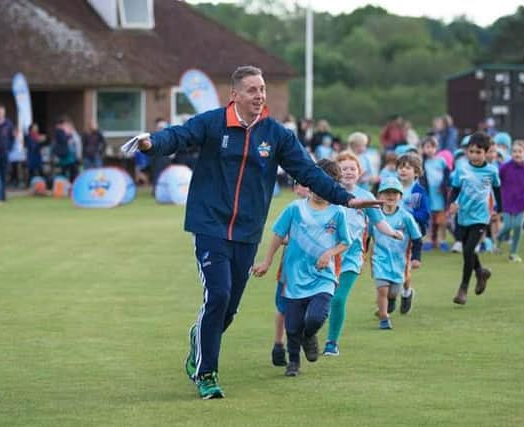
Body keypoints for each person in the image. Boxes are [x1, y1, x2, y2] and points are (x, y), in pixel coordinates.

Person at [135, 65, 381, 399]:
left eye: (262, 89)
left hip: (248, 232)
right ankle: (206, 373)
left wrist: (347, 199)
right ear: (234, 94)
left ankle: (199, 341)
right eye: (252, 90)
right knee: (218, 295)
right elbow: (179, 136)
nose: (260, 95)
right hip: (210, 226)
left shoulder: (276, 135)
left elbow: (308, 172)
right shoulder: (212, 123)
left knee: (229, 308)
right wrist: (152, 143)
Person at [253, 159, 350, 377]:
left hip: (323, 277)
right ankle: (293, 362)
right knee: (293, 323)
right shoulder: (295, 208)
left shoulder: (338, 212)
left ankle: (309, 335)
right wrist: (267, 261)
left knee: (315, 317)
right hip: (294, 276)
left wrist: (329, 253)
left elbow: (345, 241)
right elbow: (278, 234)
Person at [323, 152, 402, 356]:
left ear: (360, 173)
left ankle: (332, 342)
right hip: (326, 256)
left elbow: (379, 221)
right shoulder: (328, 193)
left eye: (352, 168)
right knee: (321, 299)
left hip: (351, 257)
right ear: (336, 173)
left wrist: (393, 232)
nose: (348, 172)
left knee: (339, 299)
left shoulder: (366, 197)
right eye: (343, 168)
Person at [449, 132, 502, 305]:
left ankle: (463, 289)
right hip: (463, 214)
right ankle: (481, 272)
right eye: (471, 152)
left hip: (481, 217)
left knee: (468, 251)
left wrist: (498, 209)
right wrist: (451, 204)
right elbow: (455, 189)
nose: (474, 155)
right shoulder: (462, 169)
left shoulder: (492, 171)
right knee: (468, 249)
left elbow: (497, 190)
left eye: (478, 152)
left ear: (486, 152)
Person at [370, 177, 422, 329]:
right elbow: (366, 237)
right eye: (387, 193)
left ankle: (393, 301)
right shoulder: (375, 215)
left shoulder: (406, 217)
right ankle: (384, 318)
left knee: (392, 293)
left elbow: (417, 238)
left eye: (394, 193)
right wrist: (362, 255)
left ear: (400, 196)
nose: (390, 196)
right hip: (379, 259)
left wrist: (416, 258)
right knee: (382, 290)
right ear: (380, 196)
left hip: (400, 261)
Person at [270, 182, 310, 367]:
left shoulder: (326, 210)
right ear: (295, 189)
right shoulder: (293, 209)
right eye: (301, 185)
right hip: (291, 267)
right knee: (283, 307)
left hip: (314, 269)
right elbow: (279, 234)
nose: (306, 189)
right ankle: (279, 344)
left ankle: (302, 342)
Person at [396, 152, 430, 313]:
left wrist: (409, 216)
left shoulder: (419, 191)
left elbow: (425, 213)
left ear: (416, 172)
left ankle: (406, 292)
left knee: (404, 266)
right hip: (391, 234)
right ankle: (387, 296)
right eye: (401, 167)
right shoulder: (392, 187)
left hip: (411, 235)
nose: (403, 171)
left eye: (408, 168)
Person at [496, 141, 524, 262]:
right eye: (514, 151)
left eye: (520, 151)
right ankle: (497, 239)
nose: (517, 154)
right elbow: (497, 182)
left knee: (518, 226)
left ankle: (513, 253)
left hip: (521, 203)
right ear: (511, 153)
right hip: (506, 201)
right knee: (508, 225)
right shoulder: (504, 167)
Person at [420, 136, 450, 251]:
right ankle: (428, 240)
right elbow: (421, 179)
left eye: (432, 147)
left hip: (439, 194)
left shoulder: (441, 161)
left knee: (442, 220)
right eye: (427, 147)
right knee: (429, 219)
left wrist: (443, 186)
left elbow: (447, 176)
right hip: (428, 194)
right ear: (423, 149)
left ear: (436, 148)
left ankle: (442, 240)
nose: (429, 150)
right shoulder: (423, 163)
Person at [0, 105, 14, 200]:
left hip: (4, 152)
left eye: (1, 112)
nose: (0, 114)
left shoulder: (8, 124)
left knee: (3, 174)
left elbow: (12, 137)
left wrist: (8, 148)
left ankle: (2, 195)